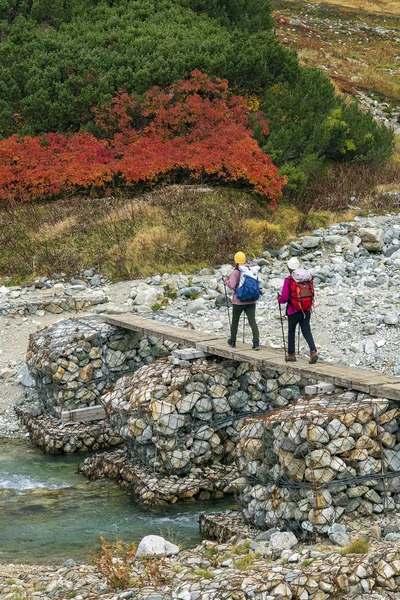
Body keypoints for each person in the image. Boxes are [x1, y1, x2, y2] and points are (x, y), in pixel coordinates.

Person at [278, 256, 318, 363]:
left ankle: (291, 354)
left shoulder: (289, 279)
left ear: (289, 268)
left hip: (293, 310)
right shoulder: (307, 278)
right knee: (306, 330)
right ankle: (313, 351)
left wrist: (279, 299)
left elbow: (285, 298)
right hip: (306, 309)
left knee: (291, 331)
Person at [222, 251, 260, 350]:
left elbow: (232, 285)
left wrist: (225, 280)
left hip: (239, 301)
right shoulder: (252, 270)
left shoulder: (236, 272)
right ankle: (256, 343)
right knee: (252, 321)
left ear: (236, 261)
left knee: (235, 321)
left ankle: (233, 341)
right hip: (251, 300)